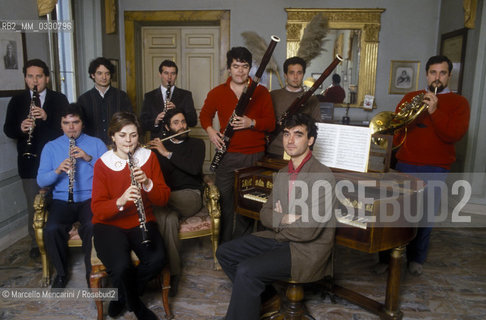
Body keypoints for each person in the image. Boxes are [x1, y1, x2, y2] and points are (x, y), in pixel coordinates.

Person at [216, 113, 336, 320]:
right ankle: (267, 297)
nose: (290, 140)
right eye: (287, 134)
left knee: (247, 270)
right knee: (225, 252)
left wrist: (279, 221)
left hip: (306, 250)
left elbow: (309, 230)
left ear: (310, 140)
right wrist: (284, 218)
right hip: (281, 238)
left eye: (298, 135)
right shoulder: (282, 174)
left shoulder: (322, 176)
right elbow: (265, 214)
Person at [374, 55, 470, 276]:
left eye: (442, 73)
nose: (437, 78)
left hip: (436, 167)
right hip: (406, 163)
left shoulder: (459, 103)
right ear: (426, 74)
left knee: (425, 215)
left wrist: (435, 111)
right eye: (433, 73)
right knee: (395, 214)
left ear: (449, 76)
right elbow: (396, 129)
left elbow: (453, 135)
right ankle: (387, 258)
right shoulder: (411, 97)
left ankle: (416, 259)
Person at [91, 112, 170, 320]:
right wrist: (120, 200)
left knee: (157, 259)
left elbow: (163, 199)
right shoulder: (102, 163)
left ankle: (122, 297)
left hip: (141, 220)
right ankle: (137, 306)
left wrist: (147, 183)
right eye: (123, 135)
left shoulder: (148, 157)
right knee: (120, 266)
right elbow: (97, 209)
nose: (128, 141)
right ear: (113, 136)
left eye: (133, 135)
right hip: (108, 224)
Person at [199, 46, 276, 242]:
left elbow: (271, 123)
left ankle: (241, 246)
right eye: (236, 66)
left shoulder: (261, 92)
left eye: (244, 66)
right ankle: (224, 247)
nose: (240, 71)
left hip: (254, 156)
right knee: (224, 202)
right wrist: (210, 130)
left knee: (247, 205)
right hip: (227, 155)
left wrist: (252, 123)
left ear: (250, 68)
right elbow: (205, 115)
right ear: (229, 68)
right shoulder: (217, 92)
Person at [4, 59, 69, 259]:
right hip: (30, 162)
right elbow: (8, 130)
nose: (35, 80)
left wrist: (47, 117)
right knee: (35, 205)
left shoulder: (59, 99)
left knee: (58, 203)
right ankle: (36, 244)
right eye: (30, 76)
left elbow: (69, 128)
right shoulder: (17, 101)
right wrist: (21, 129)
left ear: (46, 78)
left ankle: (61, 239)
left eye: (39, 76)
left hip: (56, 160)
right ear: (25, 78)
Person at [36, 104, 107, 288]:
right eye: (66, 123)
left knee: (92, 226)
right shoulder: (51, 147)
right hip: (62, 199)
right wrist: (58, 170)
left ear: (82, 123)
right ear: (61, 125)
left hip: (90, 198)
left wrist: (88, 158)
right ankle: (61, 273)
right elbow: (41, 181)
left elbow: (109, 173)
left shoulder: (96, 143)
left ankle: (91, 272)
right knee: (52, 229)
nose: (71, 127)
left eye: (75, 122)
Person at [148, 108, 205, 297]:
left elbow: (194, 169)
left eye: (183, 122)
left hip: (190, 196)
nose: (182, 126)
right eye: (176, 123)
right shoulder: (158, 149)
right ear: (167, 127)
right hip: (168, 200)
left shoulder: (197, 144)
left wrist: (167, 154)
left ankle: (153, 264)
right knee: (169, 219)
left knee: (154, 202)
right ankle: (171, 274)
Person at [267, 56, 321, 157]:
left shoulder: (312, 99)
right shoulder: (272, 95)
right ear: (285, 75)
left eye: (299, 73)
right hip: (274, 152)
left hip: (300, 153)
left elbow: (317, 128)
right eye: (291, 73)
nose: (295, 77)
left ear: (303, 74)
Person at [77, 57, 133, 145]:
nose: (104, 77)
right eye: (99, 73)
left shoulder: (122, 96)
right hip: (92, 146)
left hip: (118, 145)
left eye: (107, 73)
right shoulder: (83, 99)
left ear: (111, 75)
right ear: (92, 75)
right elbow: (80, 126)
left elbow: (129, 122)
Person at [140, 59, 197, 139]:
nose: (169, 77)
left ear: (176, 75)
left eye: (172, 74)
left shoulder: (186, 95)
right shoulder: (149, 96)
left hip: (180, 142)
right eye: (166, 73)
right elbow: (143, 124)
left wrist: (177, 110)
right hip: (158, 141)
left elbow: (193, 121)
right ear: (160, 74)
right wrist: (156, 121)